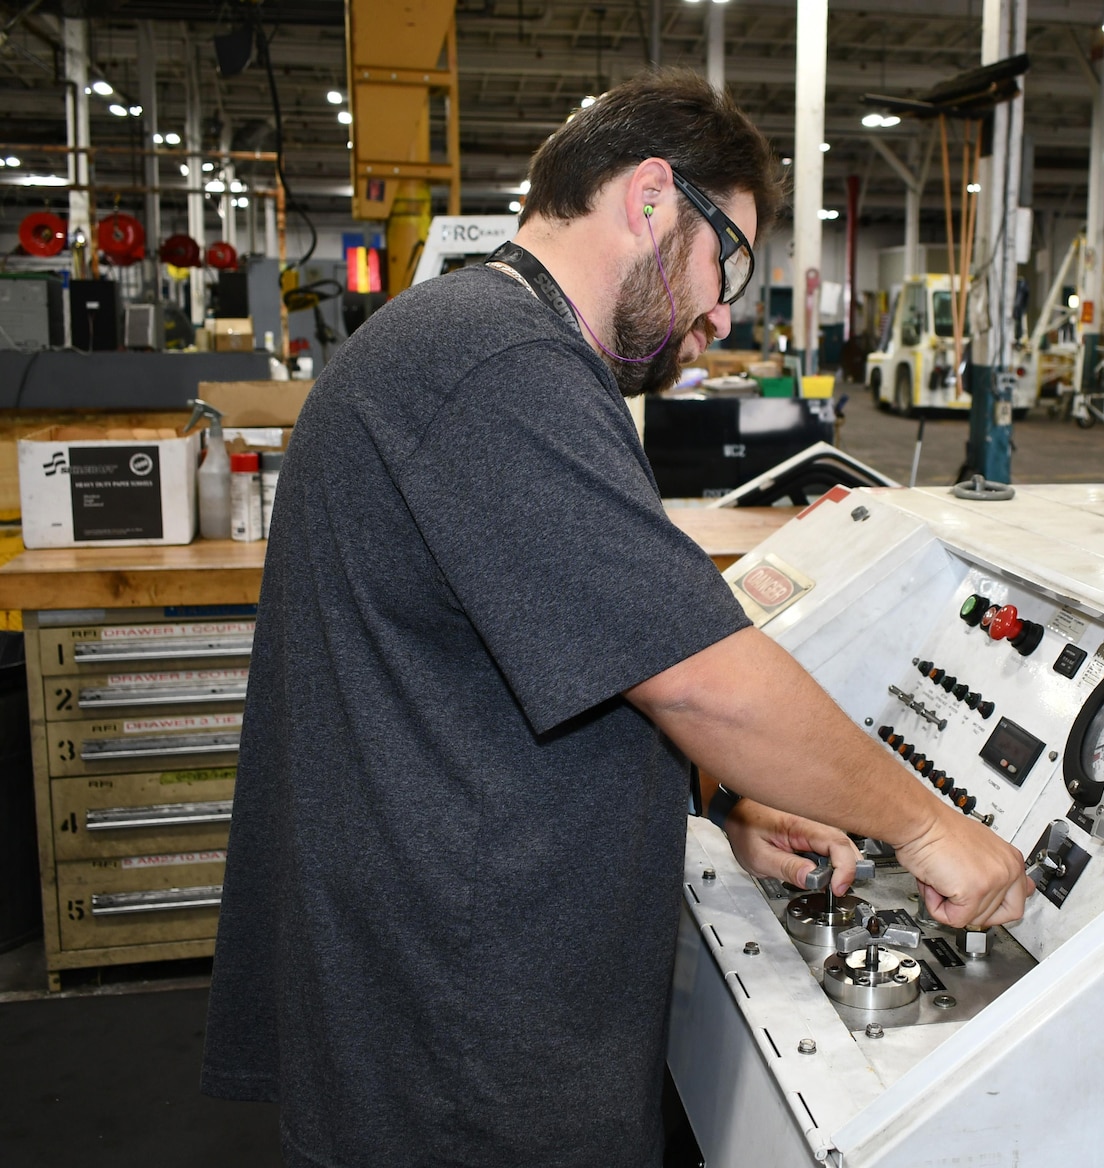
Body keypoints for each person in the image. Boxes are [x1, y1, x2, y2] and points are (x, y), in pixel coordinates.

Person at [202, 69, 1029, 1168]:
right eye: (725, 256)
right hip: (457, 1031)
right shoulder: (497, 362)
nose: (722, 312)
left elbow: (552, 657)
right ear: (650, 197)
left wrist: (722, 800)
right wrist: (927, 826)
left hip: (453, 966)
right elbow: (697, 674)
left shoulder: (487, 344)